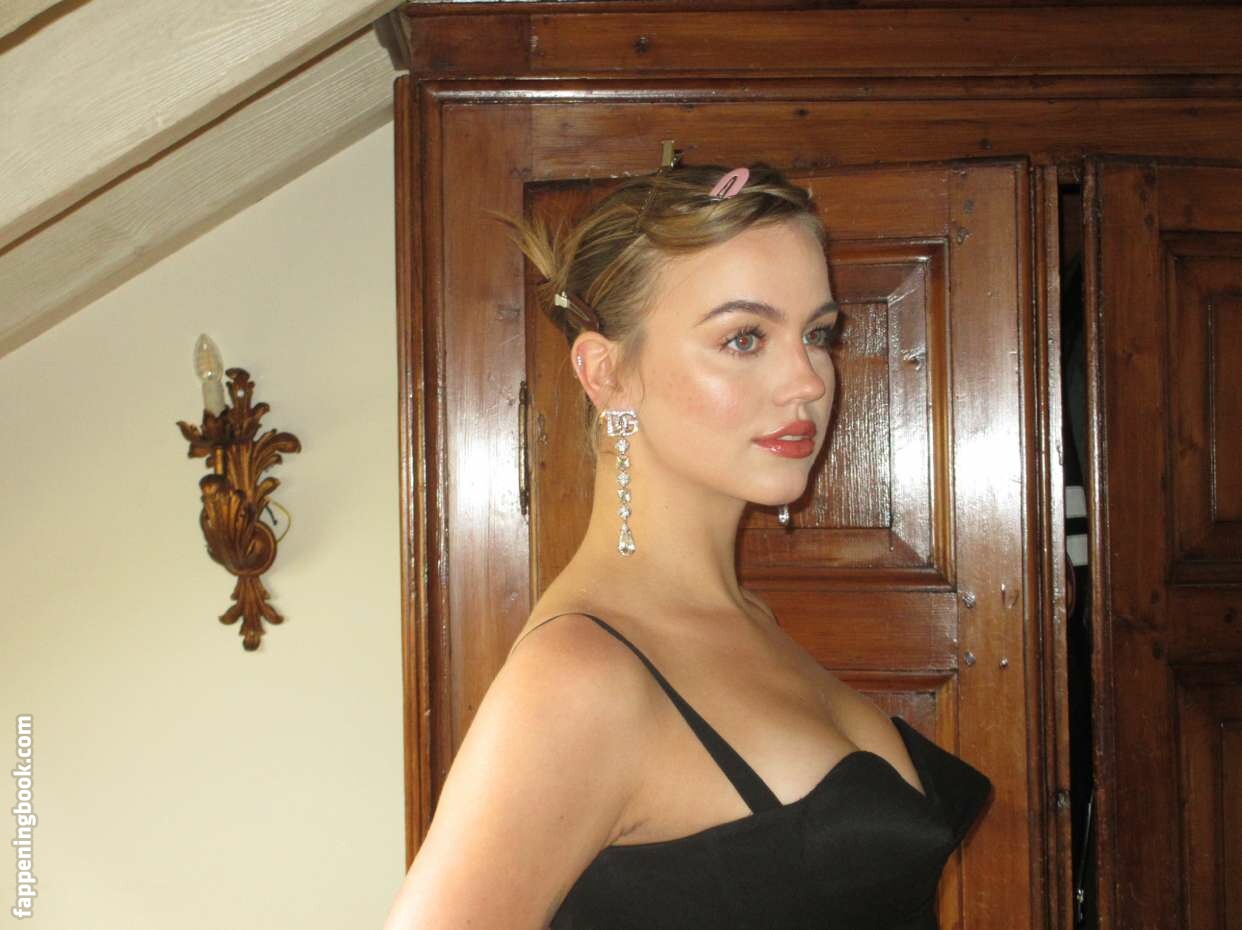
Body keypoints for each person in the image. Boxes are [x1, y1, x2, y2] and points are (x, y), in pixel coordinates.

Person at [382, 162, 993, 930]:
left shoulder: (753, 620)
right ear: (606, 373)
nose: (809, 380)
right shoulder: (581, 676)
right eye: (745, 338)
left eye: (817, 334)